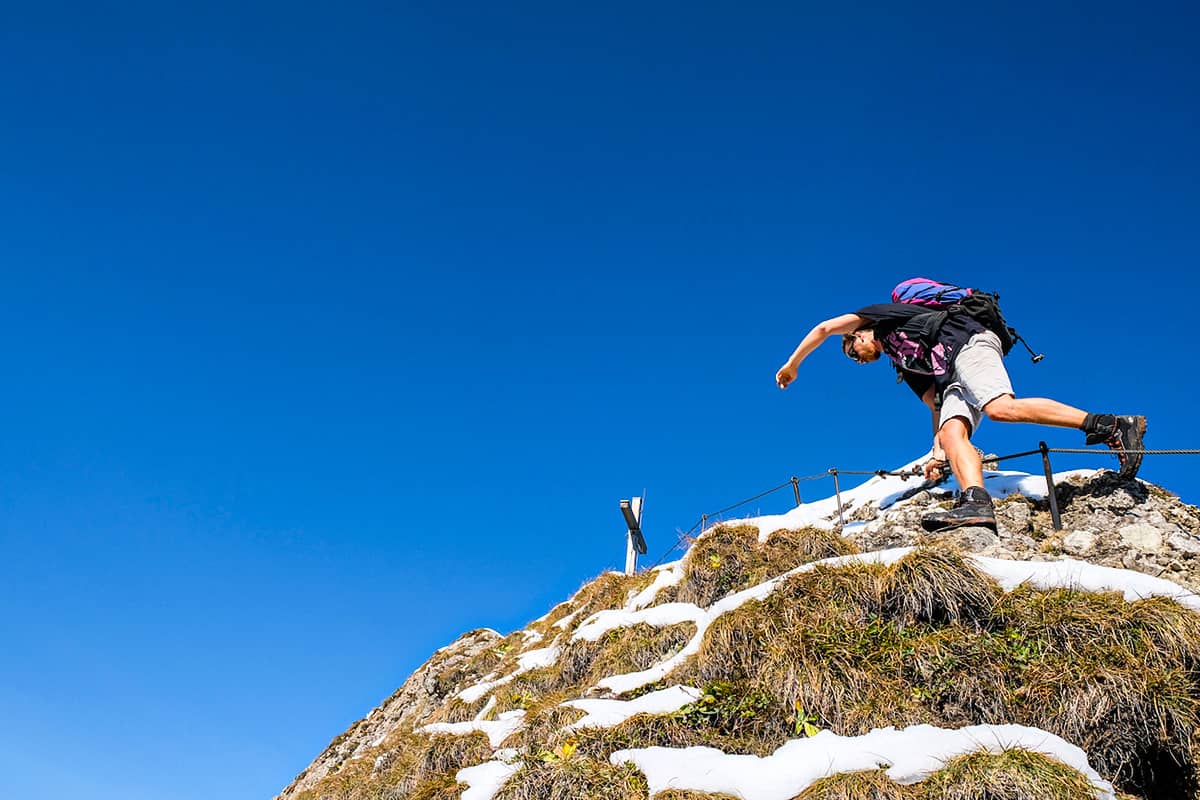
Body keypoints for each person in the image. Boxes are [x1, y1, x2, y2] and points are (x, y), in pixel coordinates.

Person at [774, 300, 1146, 531]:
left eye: (853, 351)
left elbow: (823, 327)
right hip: (951, 375)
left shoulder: (883, 319)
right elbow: (934, 405)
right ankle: (976, 503)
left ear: (861, 334)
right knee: (953, 437)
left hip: (968, 343)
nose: (857, 359)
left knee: (999, 408)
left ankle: (1110, 424)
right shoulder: (905, 363)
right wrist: (937, 455)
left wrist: (793, 366)